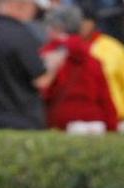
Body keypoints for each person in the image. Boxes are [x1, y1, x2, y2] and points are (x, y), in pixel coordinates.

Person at [0, 0, 63, 130]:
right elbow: (41, 80)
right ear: (19, 5)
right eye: (33, 8)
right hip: (24, 120)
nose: (34, 13)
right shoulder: (22, 36)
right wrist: (55, 62)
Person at [40, 5, 118, 133]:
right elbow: (105, 98)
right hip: (96, 123)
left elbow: (45, 92)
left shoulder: (49, 55)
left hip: (61, 123)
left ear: (56, 27)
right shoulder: (93, 58)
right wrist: (112, 126)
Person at [79, 2, 124, 131]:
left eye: (84, 21)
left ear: (92, 23)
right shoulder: (63, 47)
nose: (80, 26)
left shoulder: (113, 48)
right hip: (77, 118)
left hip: (114, 117)